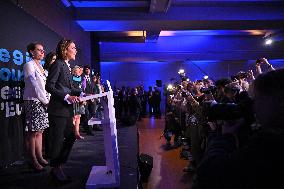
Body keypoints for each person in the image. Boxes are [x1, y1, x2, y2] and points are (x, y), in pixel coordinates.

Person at [192, 68, 284, 189]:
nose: (253, 105)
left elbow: (210, 174)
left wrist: (223, 138)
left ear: (273, 102)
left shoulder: (271, 142)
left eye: (256, 98)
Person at [46, 39, 82, 183]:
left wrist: (82, 94)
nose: (76, 50)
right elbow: (49, 86)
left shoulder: (66, 66)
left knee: (71, 136)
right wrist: (67, 96)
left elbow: (69, 87)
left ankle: (58, 165)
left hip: (66, 111)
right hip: (57, 110)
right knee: (57, 142)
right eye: (73, 48)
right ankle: (55, 169)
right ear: (65, 50)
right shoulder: (57, 64)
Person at [23, 42, 49, 172]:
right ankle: (32, 159)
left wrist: (47, 99)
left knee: (40, 131)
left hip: (43, 102)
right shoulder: (29, 65)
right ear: (32, 52)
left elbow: (45, 87)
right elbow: (34, 85)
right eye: (39, 50)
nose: (42, 52)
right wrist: (45, 101)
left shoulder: (42, 67)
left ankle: (40, 156)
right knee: (32, 132)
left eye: (43, 50)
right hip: (33, 101)